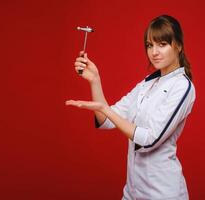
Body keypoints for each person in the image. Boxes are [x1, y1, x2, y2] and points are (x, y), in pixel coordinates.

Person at [66, 15, 196, 200]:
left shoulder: (183, 86)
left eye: (162, 44)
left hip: (162, 194)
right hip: (133, 192)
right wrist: (95, 80)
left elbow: (149, 139)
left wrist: (105, 108)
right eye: (150, 45)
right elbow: (107, 121)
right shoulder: (147, 84)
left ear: (178, 46)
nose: (154, 52)